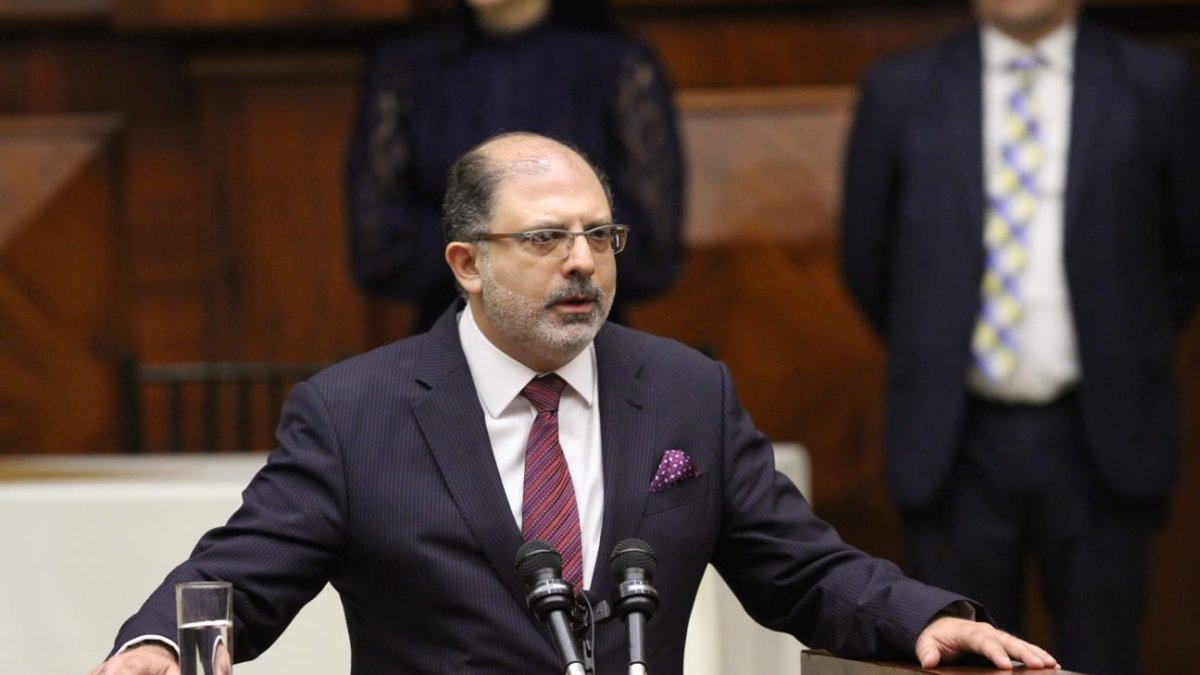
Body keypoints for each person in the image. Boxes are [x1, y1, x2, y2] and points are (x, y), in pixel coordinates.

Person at [89, 132, 1057, 675]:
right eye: (548, 238)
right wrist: (160, 642)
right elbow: (240, 573)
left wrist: (925, 618)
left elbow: (801, 570)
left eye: (601, 234)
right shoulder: (356, 415)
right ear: (466, 264)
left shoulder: (687, 393)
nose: (585, 263)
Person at [839, 1, 1200, 673]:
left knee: (1103, 653)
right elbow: (869, 260)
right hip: (954, 442)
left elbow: (1184, 257)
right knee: (961, 658)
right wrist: (939, 351)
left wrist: (1124, 346)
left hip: (1104, 436)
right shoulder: (901, 88)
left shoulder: (1157, 84)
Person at [344, 0, 684, 334]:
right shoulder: (410, 65)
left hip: (583, 327)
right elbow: (379, 249)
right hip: (450, 325)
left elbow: (651, 249)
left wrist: (522, 248)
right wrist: (508, 252)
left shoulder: (612, 61)